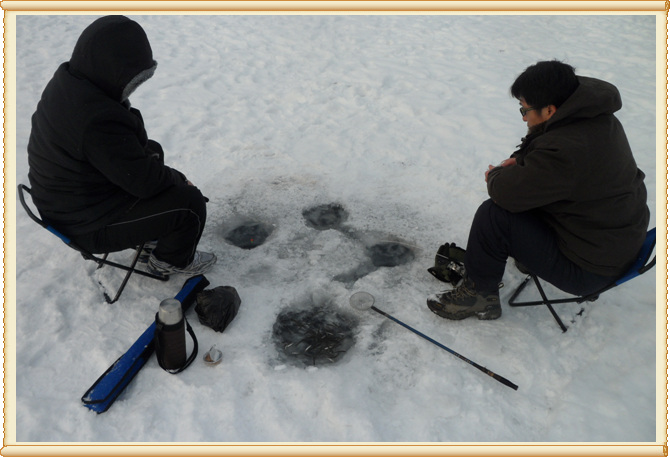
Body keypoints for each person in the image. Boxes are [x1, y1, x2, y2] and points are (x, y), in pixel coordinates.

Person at [427, 60, 649, 320]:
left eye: (525, 109)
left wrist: (496, 174)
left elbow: (505, 192)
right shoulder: (593, 119)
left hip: (590, 270)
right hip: (614, 244)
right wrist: (523, 161)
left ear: (550, 109)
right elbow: (553, 162)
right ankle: (527, 256)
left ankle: (478, 296)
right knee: (527, 197)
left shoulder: (565, 150)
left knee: (494, 215)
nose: (523, 117)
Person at [26, 15, 217, 276]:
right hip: (85, 223)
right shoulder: (97, 119)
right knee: (190, 205)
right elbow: (145, 182)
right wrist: (180, 180)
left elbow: (128, 157)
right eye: (132, 81)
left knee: (152, 151)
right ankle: (170, 261)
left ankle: (153, 232)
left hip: (66, 201)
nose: (132, 89)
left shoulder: (70, 83)